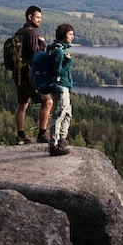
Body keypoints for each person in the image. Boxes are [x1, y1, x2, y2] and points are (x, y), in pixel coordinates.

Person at [12, 5, 53, 145]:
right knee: (47, 101)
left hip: (18, 74)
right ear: (30, 17)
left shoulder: (20, 32)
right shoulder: (31, 34)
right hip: (29, 76)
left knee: (22, 104)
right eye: (37, 17)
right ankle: (42, 133)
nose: (40, 20)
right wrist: (42, 44)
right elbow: (36, 56)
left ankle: (21, 136)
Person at [47, 23, 75, 156]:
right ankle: (53, 145)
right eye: (70, 34)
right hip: (60, 87)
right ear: (64, 35)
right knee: (58, 115)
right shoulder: (58, 51)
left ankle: (62, 140)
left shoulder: (60, 49)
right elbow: (58, 72)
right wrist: (68, 62)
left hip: (64, 87)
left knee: (67, 113)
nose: (72, 37)